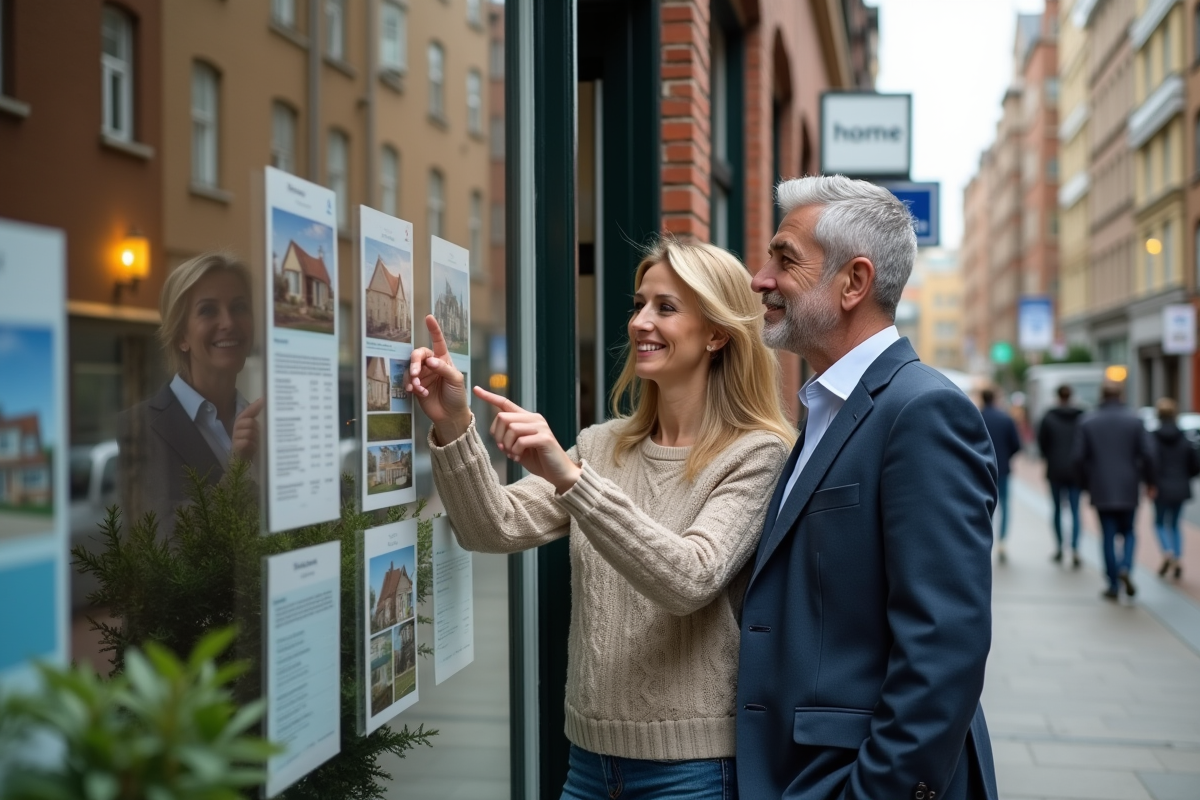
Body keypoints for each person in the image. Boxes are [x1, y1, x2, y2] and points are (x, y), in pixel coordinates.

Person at [407, 239, 794, 800]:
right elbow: (490, 526)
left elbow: (689, 578)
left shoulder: (757, 454)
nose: (640, 322)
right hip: (588, 765)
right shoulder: (603, 444)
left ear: (715, 333)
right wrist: (453, 424)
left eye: (666, 307)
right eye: (639, 305)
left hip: (693, 772)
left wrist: (571, 479)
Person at [736, 175, 998, 800]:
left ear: (854, 282)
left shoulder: (922, 411)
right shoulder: (826, 407)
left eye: (785, 258)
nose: (760, 278)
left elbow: (943, 648)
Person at [118, 252, 263, 533]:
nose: (229, 322)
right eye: (208, 310)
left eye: (240, 307)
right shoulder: (136, 428)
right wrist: (235, 472)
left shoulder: (266, 423)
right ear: (181, 336)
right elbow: (159, 544)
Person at [1073, 380, 1156, 601]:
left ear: (1101, 396)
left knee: (1108, 535)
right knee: (1129, 531)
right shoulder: (1135, 420)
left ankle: (1112, 583)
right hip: (1128, 485)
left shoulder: (1088, 421)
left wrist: (1085, 483)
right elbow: (1148, 454)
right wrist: (1150, 482)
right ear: (1121, 395)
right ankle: (1125, 567)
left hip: (1101, 486)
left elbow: (1079, 457)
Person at [1150, 397, 1198, 580]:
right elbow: (1195, 463)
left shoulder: (1153, 437)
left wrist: (1150, 482)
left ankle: (1167, 552)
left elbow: (1149, 462)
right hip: (1179, 486)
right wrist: (1186, 477)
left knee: (1160, 523)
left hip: (1160, 486)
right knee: (1176, 524)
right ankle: (1176, 556)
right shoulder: (1184, 437)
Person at [1037, 384, 1084, 567]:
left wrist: (1050, 456)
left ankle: (1059, 547)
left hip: (1055, 469)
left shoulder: (1049, 417)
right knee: (1075, 511)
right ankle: (1075, 548)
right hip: (1075, 471)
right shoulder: (1081, 416)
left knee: (1057, 510)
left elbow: (1042, 444)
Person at [980, 388, 1022, 562]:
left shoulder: (977, 415)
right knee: (1004, 505)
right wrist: (1005, 457)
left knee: (984, 506)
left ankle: (984, 541)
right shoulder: (1006, 419)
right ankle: (1002, 541)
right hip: (1002, 468)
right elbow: (1017, 444)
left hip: (982, 468)